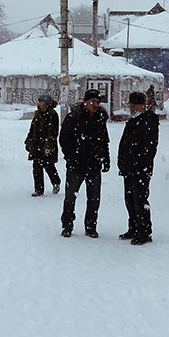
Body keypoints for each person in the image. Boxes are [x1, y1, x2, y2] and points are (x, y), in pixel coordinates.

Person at [59, 88, 110, 238]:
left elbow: (104, 141)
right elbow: (64, 139)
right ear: (85, 102)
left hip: (94, 165)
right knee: (70, 197)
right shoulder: (74, 117)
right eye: (92, 102)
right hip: (76, 165)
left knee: (94, 198)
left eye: (97, 102)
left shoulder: (100, 118)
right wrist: (71, 157)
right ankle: (67, 225)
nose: (94, 104)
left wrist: (105, 158)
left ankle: (91, 226)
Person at [117, 91, 159, 245]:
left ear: (143, 106)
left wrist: (138, 163)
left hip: (141, 169)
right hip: (129, 168)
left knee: (140, 200)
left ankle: (144, 231)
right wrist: (122, 161)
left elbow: (149, 148)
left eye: (135, 105)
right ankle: (133, 227)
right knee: (129, 199)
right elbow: (125, 143)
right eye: (131, 105)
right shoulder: (132, 122)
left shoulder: (148, 122)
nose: (132, 108)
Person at [25, 93, 60, 197]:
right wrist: (28, 140)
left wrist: (48, 145)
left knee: (49, 166)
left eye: (41, 102)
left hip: (47, 145)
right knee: (37, 167)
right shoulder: (37, 114)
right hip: (37, 145)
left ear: (47, 103)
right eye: (39, 101)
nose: (39, 103)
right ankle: (38, 189)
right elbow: (32, 129)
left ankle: (56, 182)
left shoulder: (53, 115)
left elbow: (53, 132)